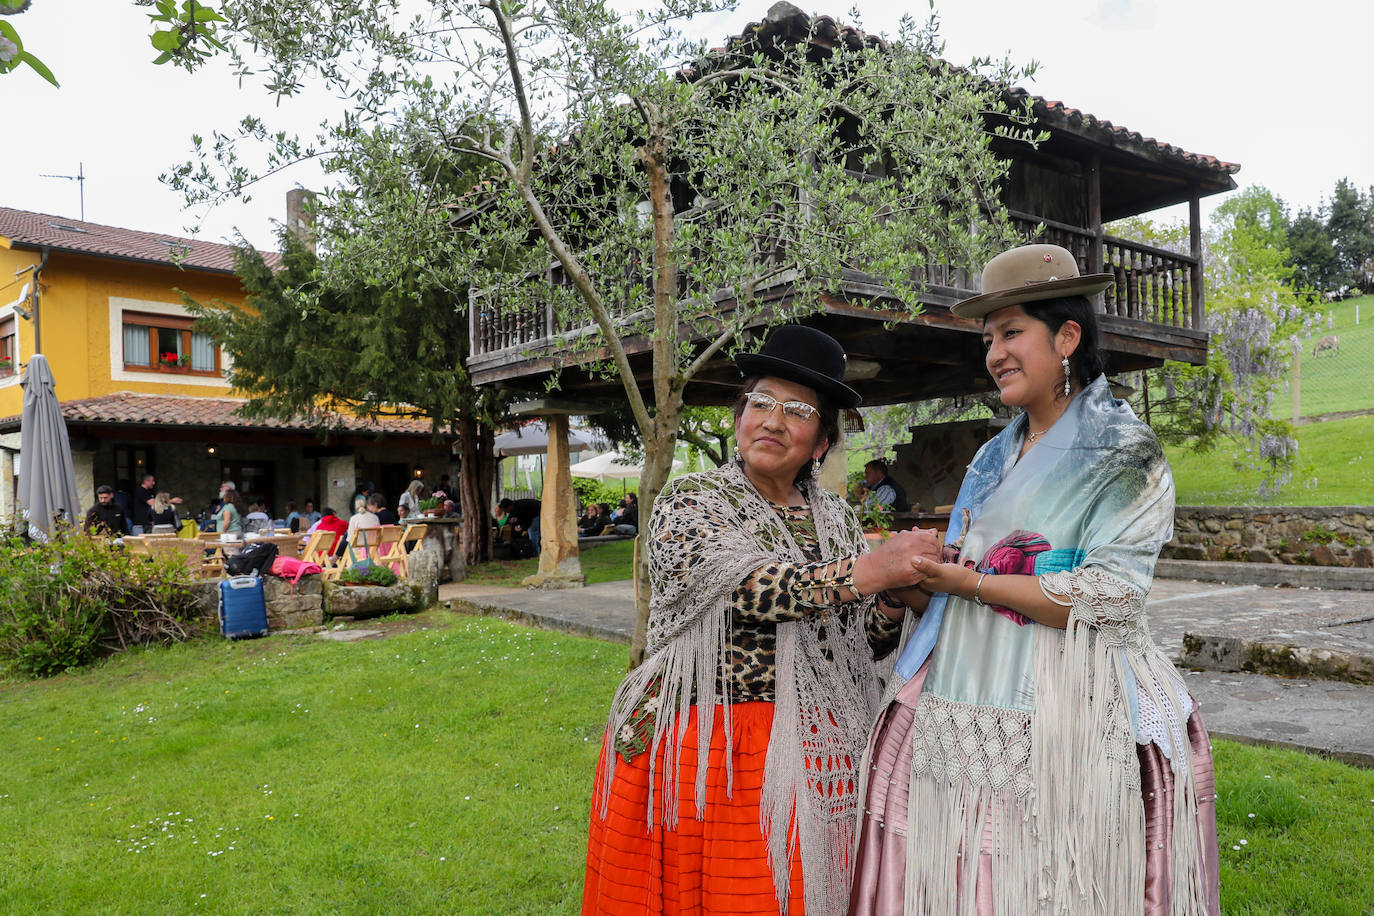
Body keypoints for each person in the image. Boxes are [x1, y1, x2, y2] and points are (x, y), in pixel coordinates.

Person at [848, 245, 1219, 915]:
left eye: (1012, 331)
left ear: (1067, 336)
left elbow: (1109, 599)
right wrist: (919, 579)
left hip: (1067, 703)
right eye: (989, 338)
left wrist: (968, 585)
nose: (994, 353)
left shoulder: (1124, 450)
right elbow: (967, 567)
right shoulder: (994, 453)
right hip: (961, 688)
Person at [582, 324, 940, 916]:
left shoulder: (839, 521)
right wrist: (871, 572)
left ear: (821, 442)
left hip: (820, 744)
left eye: (797, 410)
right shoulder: (692, 501)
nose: (773, 420)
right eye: (761, 402)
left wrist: (896, 595)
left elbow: (859, 644)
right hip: (715, 748)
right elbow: (749, 589)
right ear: (739, 415)